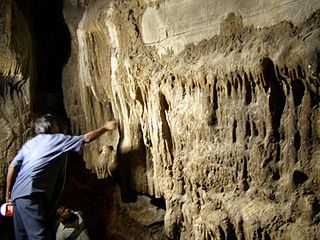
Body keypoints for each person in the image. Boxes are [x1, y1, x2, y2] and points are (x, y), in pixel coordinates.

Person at [5, 114, 117, 240]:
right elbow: (86, 138)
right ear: (51, 127)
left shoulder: (30, 144)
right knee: (39, 236)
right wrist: (105, 128)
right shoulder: (57, 139)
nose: (58, 127)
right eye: (56, 125)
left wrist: (8, 192)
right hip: (31, 194)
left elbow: (12, 167)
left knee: (21, 236)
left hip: (16, 197)